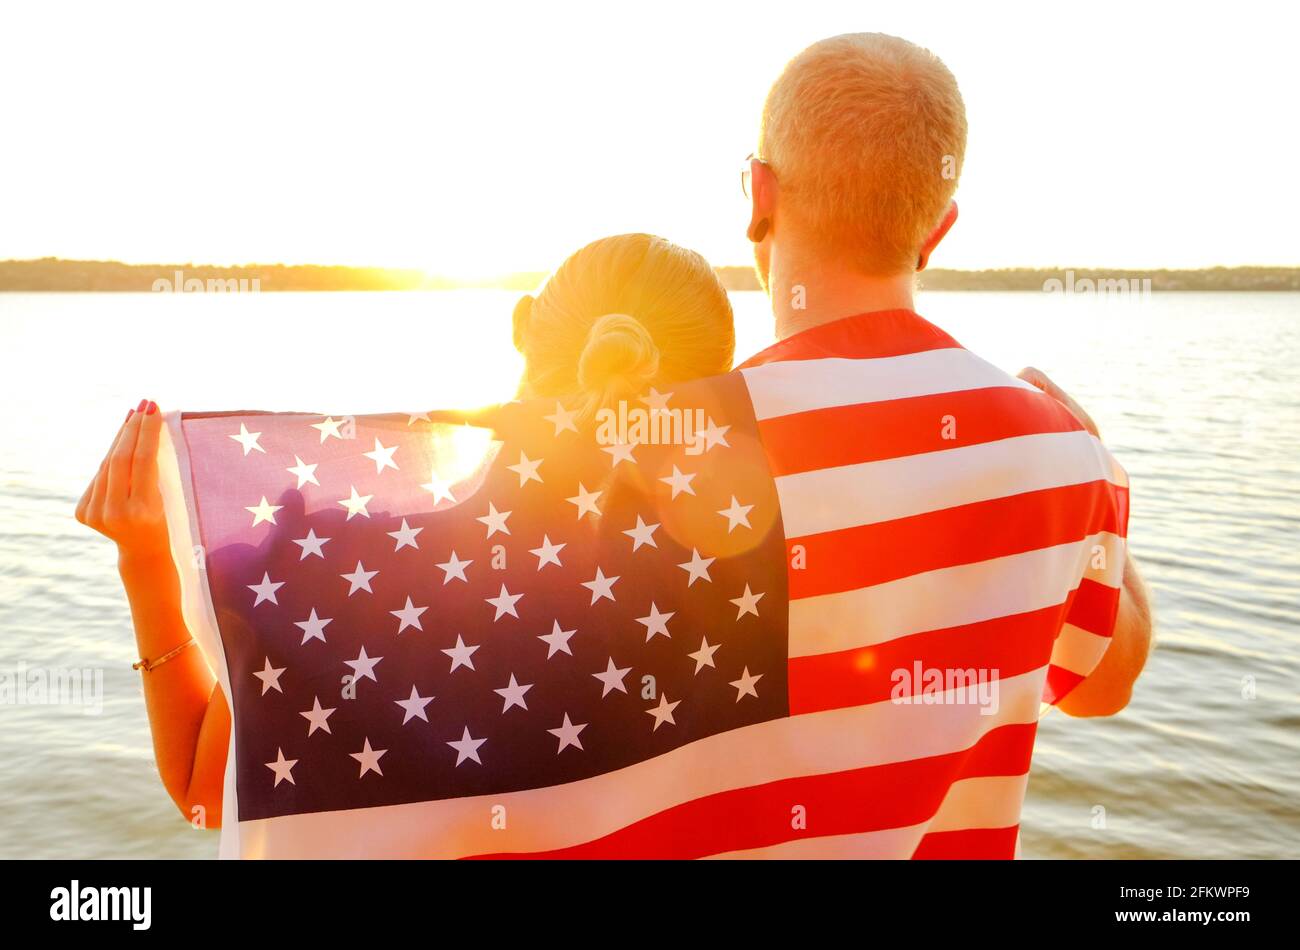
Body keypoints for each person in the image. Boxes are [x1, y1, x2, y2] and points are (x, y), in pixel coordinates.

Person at [74, 233, 739, 829]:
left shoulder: (331, 564)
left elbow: (206, 795)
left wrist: (146, 565)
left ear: (522, 326)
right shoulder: (739, 599)